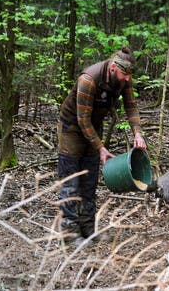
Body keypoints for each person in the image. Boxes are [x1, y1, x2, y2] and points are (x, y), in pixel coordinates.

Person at [56, 46, 147, 246]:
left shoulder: (124, 78)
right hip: (72, 127)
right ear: (113, 67)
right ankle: (70, 235)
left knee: (89, 181)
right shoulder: (88, 79)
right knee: (71, 181)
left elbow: (131, 106)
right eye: (124, 74)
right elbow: (82, 120)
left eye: (129, 76)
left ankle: (88, 229)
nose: (127, 79)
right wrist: (101, 148)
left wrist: (138, 134)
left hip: (93, 128)